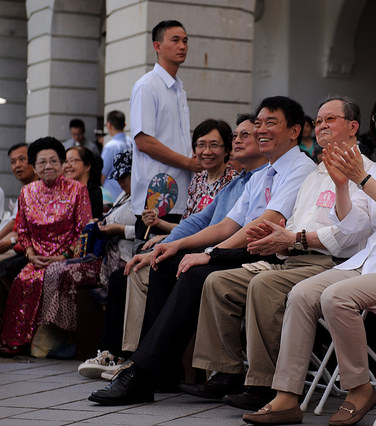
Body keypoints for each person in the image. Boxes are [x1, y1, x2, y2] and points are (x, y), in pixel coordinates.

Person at [242, 87, 376, 425]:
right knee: (301, 293)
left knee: (335, 297)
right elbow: (356, 224)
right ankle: (286, 396)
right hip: (371, 265)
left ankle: (359, 388)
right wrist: (344, 186)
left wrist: (361, 178)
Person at [88, 96, 316, 405]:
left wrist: (211, 254)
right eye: (257, 124)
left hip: (270, 251)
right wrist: (175, 245)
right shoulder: (262, 174)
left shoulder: (300, 168)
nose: (260, 130)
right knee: (165, 262)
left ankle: (142, 374)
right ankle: (163, 371)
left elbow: (265, 223)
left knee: (195, 272)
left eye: (270, 123)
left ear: (294, 131)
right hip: (241, 248)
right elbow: (225, 225)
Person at [180, 96, 373, 410]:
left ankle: (263, 384)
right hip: (293, 257)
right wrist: (275, 237)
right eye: (320, 121)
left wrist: (291, 239)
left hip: (333, 264)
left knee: (264, 286)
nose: (322, 126)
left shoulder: (366, 172)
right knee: (218, 283)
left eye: (331, 120)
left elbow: (350, 238)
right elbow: (292, 223)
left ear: (353, 127)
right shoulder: (315, 175)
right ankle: (225, 373)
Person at [78, 115, 268, 379]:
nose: (208, 151)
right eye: (201, 144)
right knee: (142, 266)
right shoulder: (225, 182)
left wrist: (201, 252)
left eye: (217, 144)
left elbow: (229, 229)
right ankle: (135, 357)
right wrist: (166, 244)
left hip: (237, 254)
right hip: (209, 249)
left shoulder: (247, 178)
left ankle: (151, 364)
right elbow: (198, 221)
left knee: (166, 267)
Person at [39, 150, 136, 358]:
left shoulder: (140, 197)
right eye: (118, 176)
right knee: (52, 269)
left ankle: (74, 338)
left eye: (125, 176)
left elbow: (147, 229)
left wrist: (117, 229)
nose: (120, 181)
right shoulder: (122, 196)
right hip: (98, 252)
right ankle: (62, 334)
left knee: (66, 272)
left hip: (117, 257)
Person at [0, 137, 92, 357]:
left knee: (44, 278)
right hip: (37, 258)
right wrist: (31, 254)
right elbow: (22, 230)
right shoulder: (27, 192)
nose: (48, 166)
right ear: (35, 166)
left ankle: (43, 341)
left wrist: (64, 255)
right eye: (42, 162)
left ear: (61, 164)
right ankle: (15, 341)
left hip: (66, 258)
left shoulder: (77, 190)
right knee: (23, 280)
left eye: (53, 161)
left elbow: (84, 230)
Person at [130, 20, 202, 239]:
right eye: (175, 40)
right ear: (157, 46)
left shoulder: (179, 89)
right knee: (150, 265)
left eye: (185, 41)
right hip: (157, 198)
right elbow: (144, 142)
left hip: (182, 194)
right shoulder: (147, 86)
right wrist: (188, 163)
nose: (182, 46)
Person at [139, 119, 237, 236]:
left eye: (214, 145)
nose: (206, 151)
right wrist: (158, 222)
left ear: (226, 150)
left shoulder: (234, 182)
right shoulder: (198, 180)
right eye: (201, 145)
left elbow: (221, 230)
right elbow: (186, 226)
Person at [0, 143, 38, 260]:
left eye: (22, 159)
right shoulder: (25, 191)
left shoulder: (40, 190)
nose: (17, 165)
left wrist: (8, 241)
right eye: (13, 162)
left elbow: (15, 227)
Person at [64, 146, 104, 219]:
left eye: (72, 161)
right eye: (65, 162)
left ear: (87, 166)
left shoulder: (93, 192)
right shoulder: (62, 191)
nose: (67, 165)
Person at [102, 110, 134, 200]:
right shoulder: (131, 141)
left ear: (109, 125)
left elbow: (102, 174)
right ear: (125, 124)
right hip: (129, 192)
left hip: (112, 196)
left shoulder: (110, 146)